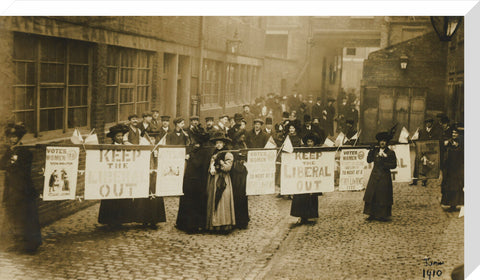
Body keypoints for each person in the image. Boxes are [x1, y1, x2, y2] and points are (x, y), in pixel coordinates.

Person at [0, 123, 42, 254]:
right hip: (12, 188)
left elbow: (22, 171)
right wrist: (9, 157)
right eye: (10, 137)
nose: (12, 139)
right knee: (15, 217)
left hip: (23, 189)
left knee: (26, 216)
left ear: (19, 137)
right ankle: (18, 243)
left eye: (15, 137)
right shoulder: (10, 150)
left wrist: (11, 164)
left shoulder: (25, 152)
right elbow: (1, 165)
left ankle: (30, 245)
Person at [98, 124, 137, 228]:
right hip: (112, 177)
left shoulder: (126, 147)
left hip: (123, 176)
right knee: (111, 199)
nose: (120, 138)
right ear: (113, 137)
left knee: (123, 197)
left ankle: (122, 219)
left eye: (121, 136)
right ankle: (110, 220)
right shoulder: (109, 148)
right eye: (118, 136)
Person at [176, 128, 212, 233]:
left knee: (194, 203)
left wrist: (190, 157)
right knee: (187, 201)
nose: (193, 142)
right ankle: (183, 223)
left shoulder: (203, 151)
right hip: (190, 180)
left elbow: (198, 164)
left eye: (194, 141)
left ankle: (194, 225)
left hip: (197, 182)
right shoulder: (195, 150)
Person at [205, 132, 236, 232]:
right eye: (217, 143)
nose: (218, 145)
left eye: (220, 143)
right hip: (214, 179)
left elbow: (228, 168)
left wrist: (220, 162)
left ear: (223, 144)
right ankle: (214, 223)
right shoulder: (214, 154)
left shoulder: (227, 154)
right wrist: (211, 168)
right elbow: (210, 166)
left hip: (223, 180)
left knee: (223, 200)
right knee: (213, 199)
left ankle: (224, 223)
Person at [363, 132, 397, 222]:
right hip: (375, 175)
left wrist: (384, 163)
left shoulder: (390, 152)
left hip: (384, 176)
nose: (382, 143)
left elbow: (394, 165)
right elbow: (369, 160)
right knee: (372, 194)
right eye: (381, 141)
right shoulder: (375, 151)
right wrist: (370, 151)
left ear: (387, 143)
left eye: (384, 141)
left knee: (383, 195)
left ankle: (383, 215)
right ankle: (371, 214)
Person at [290, 132, 320, 224]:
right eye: (308, 142)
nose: (310, 143)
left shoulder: (317, 151)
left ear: (314, 143)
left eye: (311, 142)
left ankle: (311, 215)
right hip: (303, 177)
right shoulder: (303, 151)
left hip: (313, 177)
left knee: (312, 196)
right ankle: (302, 216)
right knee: (302, 197)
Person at [410, 118, 441, 186]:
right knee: (417, 164)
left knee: (425, 165)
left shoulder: (434, 132)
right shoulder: (421, 131)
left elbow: (436, 142)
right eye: (427, 123)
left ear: (431, 124)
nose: (428, 124)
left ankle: (424, 180)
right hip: (420, 150)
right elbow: (416, 139)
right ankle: (415, 180)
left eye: (429, 122)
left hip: (428, 151)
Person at [440, 124, 464, 211]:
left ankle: (455, 204)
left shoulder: (462, 143)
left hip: (458, 168)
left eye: (456, 133)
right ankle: (449, 203)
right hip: (449, 169)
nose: (454, 135)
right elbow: (444, 153)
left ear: (459, 135)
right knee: (449, 187)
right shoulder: (449, 142)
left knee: (457, 187)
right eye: (453, 133)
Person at [230, 131, 250, 229]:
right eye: (241, 136)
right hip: (236, 172)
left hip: (242, 172)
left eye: (243, 135)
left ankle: (243, 219)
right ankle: (238, 219)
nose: (243, 137)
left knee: (242, 195)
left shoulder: (244, 144)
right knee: (237, 195)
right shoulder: (235, 146)